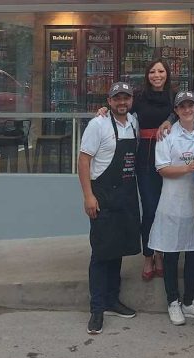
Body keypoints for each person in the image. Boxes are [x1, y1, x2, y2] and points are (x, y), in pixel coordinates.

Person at [96, 59, 174, 281]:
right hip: (146, 157)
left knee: (165, 208)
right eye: (152, 71)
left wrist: (169, 120)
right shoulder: (138, 97)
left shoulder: (173, 97)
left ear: (167, 74)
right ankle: (149, 254)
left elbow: (183, 113)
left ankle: (162, 252)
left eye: (161, 71)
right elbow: (120, 109)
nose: (157, 75)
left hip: (170, 156)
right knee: (149, 208)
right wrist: (103, 108)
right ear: (147, 75)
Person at [78, 82, 139, 335]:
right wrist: (88, 196)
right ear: (109, 101)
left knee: (119, 250)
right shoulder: (98, 124)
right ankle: (97, 309)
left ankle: (113, 300)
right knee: (101, 253)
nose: (121, 102)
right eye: (117, 99)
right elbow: (83, 160)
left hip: (125, 195)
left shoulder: (134, 122)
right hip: (102, 195)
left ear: (131, 100)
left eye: (126, 98)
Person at [148, 91, 194, 326]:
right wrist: (187, 169)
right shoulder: (167, 135)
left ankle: (189, 300)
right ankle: (172, 301)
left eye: (190, 106)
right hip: (172, 202)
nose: (187, 110)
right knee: (172, 252)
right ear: (175, 111)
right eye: (182, 107)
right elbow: (162, 168)